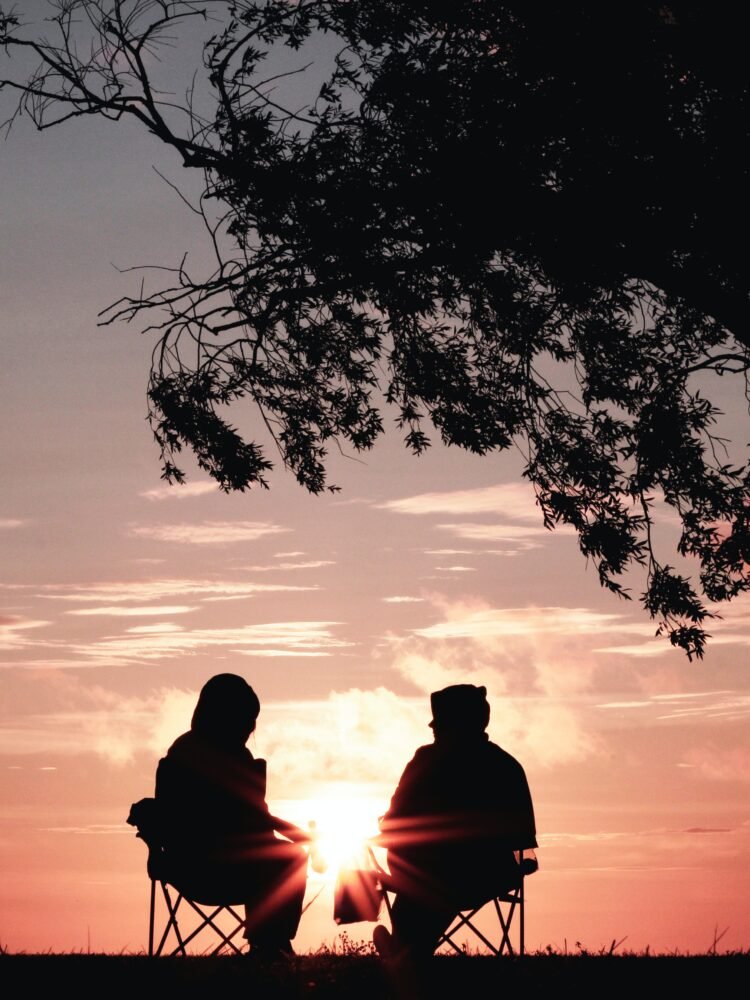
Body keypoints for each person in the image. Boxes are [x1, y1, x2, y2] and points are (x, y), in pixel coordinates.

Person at [374, 684, 537, 961]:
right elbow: (524, 839)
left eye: (440, 725)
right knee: (432, 879)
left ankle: (407, 950)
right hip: (488, 876)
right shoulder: (506, 766)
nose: (434, 730)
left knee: (427, 879)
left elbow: (393, 822)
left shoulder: (425, 761)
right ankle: (407, 949)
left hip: (433, 874)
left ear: (456, 724)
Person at [153, 673, 310, 959]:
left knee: (283, 857)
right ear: (227, 716)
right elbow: (253, 819)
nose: (250, 728)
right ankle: (270, 943)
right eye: (246, 719)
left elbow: (257, 819)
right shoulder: (215, 758)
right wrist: (302, 837)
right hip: (214, 867)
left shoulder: (184, 751)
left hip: (184, 865)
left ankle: (270, 942)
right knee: (292, 858)